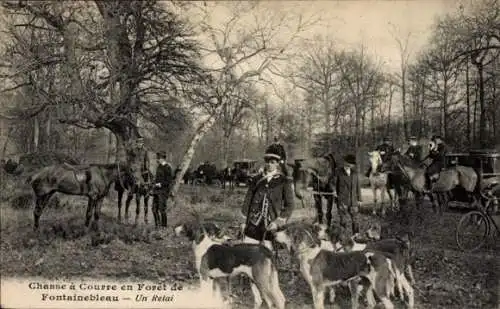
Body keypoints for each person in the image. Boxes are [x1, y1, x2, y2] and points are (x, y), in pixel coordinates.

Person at [240, 145, 295, 250]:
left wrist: (278, 222)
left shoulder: (284, 181)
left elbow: (290, 205)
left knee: (268, 256)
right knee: (249, 252)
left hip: (271, 225)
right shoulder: (257, 179)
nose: (269, 165)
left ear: (278, 163)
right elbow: (247, 201)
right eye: (268, 162)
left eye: (273, 162)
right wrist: (243, 222)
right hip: (253, 223)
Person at [333, 154, 362, 235]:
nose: (349, 165)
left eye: (351, 164)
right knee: (343, 220)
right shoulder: (338, 172)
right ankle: (343, 236)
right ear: (345, 163)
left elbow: (358, 187)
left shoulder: (355, 173)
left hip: (353, 200)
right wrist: (334, 191)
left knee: (355, 219)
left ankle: (356, 236)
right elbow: (333, 183)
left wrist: (360, 199)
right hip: (342, 200)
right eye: (348, 163)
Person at [152, 151, 173, 228]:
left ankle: (164, 227)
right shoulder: (159, 167)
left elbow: (169, 181)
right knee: (154, 209)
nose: (157, 160)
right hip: (156, 191)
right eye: (158, 158)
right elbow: (157, 178)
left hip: (163, 192)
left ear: (163, 158)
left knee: (162, 210)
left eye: (159, 158)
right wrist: (154, 182)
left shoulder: (168, 168)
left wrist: (159, 184)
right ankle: (157, 226)